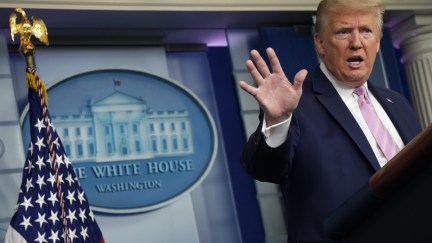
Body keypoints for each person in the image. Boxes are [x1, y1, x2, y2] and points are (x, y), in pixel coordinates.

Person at [239, 0, 422, 242]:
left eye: (366, 31)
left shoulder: (397, 103)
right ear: (321, 43)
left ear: (377, 42)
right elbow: (265, 168)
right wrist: (278, 120)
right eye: (343, 31)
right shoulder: (295, 106)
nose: (356, 42)